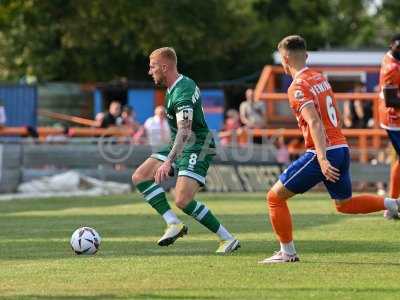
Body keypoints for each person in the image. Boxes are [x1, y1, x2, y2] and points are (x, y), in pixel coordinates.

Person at [259, 35, 399, 264]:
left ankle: (287, 253)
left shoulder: (297, 87)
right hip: (341, 147)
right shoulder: (320, 78)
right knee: (344, 204)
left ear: (285, 59)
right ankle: (394, 203)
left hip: (322, 152)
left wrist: (322, 159)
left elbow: (314, 122)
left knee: (274, 198)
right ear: (306, 55)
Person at [131, 47, 240, 253]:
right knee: (141, 176)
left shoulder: (183, 90)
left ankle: (227, 239)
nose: (149, 71)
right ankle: (173, 224)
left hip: (197, 144)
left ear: (165, 67)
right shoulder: (174, 88)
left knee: (182, 200)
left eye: (152, 67)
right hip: (180, 142)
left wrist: (168, 161)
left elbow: (185, 130)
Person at [378, 33, 400, 205]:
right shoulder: (391, 68)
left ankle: (392, 202)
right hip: (394, 118)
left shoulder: (392, 59)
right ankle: (391, 203)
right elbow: (391, 100)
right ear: (391, 45)